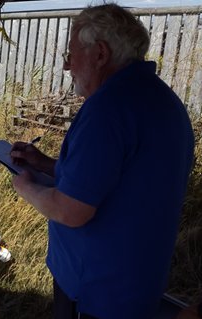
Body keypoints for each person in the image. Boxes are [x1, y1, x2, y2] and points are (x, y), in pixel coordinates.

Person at [10, 4, 194, 319]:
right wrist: (45, 164)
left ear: (100, 54)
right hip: (139, 281)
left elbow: (71, 210)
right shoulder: (164, 100)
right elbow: (118, 178)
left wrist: (25, 187)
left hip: (98, 290)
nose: (67, 67)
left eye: (70, 55)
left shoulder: (107, 109)